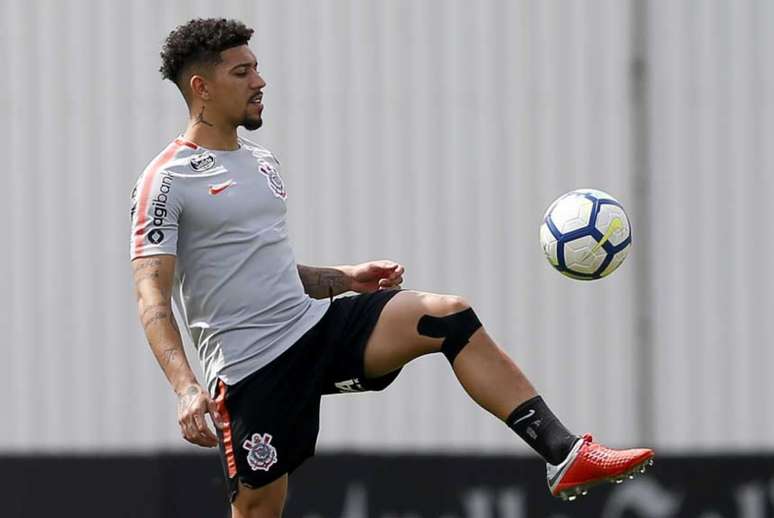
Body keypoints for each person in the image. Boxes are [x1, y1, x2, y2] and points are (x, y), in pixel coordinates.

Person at [130, 18, 654, 518]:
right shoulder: (166, 180)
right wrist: (184, 386)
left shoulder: (260, 161)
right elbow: (152, 295)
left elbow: (259, 269)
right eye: (241, 72)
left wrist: (341, 279)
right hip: (251, 370)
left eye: (256, 67)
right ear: (201, 86)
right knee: (259, 510)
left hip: (310, 328)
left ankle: (563, 454)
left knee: (448, 317)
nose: (260, 80)